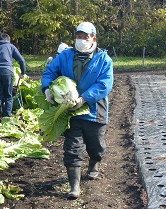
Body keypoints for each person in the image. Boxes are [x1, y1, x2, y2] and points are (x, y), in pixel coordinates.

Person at [41, 22, 114, 199]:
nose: (81, 40)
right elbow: (50, 71)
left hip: (94, 109)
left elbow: (104, 85)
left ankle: (94, 162)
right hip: (71, 111)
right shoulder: (66, 55)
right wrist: (47, 89)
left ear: (93, 39)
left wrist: (84, 98)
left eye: (85, 37)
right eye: (78, 36)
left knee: (96, 146)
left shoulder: (104, 59)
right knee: (72, 148)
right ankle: (74, 186)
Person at [0, 33, 26, 128]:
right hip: (7, 71)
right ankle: (7, 118)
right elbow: (21, 60)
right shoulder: (11, 46)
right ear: (8, 40)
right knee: (8, 95)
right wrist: (23, 72)